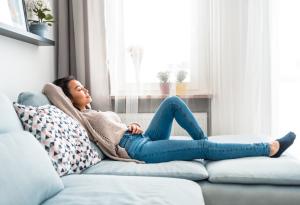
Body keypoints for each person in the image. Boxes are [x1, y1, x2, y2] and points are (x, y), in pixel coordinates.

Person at [47, 76, 296, 163]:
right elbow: (51, 89)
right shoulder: (79, 117)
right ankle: (268, 148)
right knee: (201, 147)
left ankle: (205, 144)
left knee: (172, 101)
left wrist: (131, 126)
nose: (86, 90)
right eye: (79, 89)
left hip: (140, 137)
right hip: (138, 150)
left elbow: (117, 130)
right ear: (68, 98)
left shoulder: (93, 112)